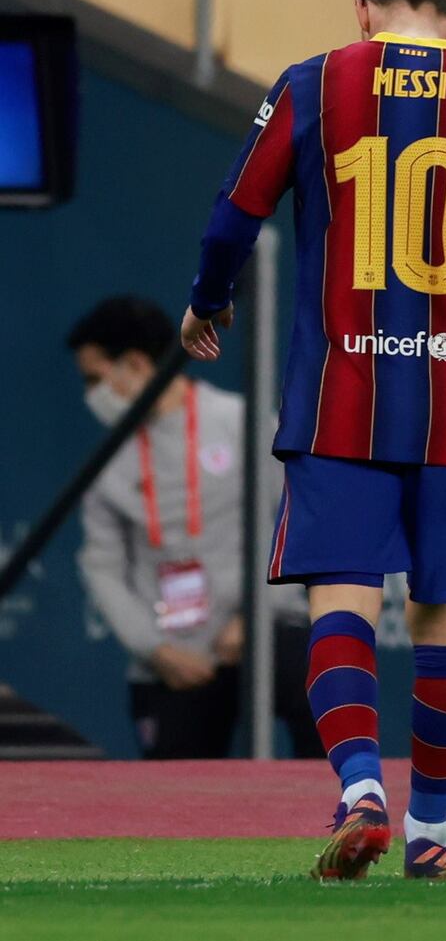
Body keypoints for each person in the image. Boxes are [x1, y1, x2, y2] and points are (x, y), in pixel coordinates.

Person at [179, 0, 446, 882]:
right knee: (445, 621)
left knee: (341, 600)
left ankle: (361, 789)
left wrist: (208, 299)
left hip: (338, 397)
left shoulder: (312, 85)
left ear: (362, 10)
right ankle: (430, 829)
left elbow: (234, 212)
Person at [67, 295, 320, 760]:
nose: (90, 396)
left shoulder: (239, 422)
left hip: (261, 629)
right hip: (174, 657)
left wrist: (254, 618)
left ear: (136, 364)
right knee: (174, 779)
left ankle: (342, 803)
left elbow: (296, 521)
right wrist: (157, 651)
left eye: (95, 379)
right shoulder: (108, 460)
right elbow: (102, 567)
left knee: (320, 686)